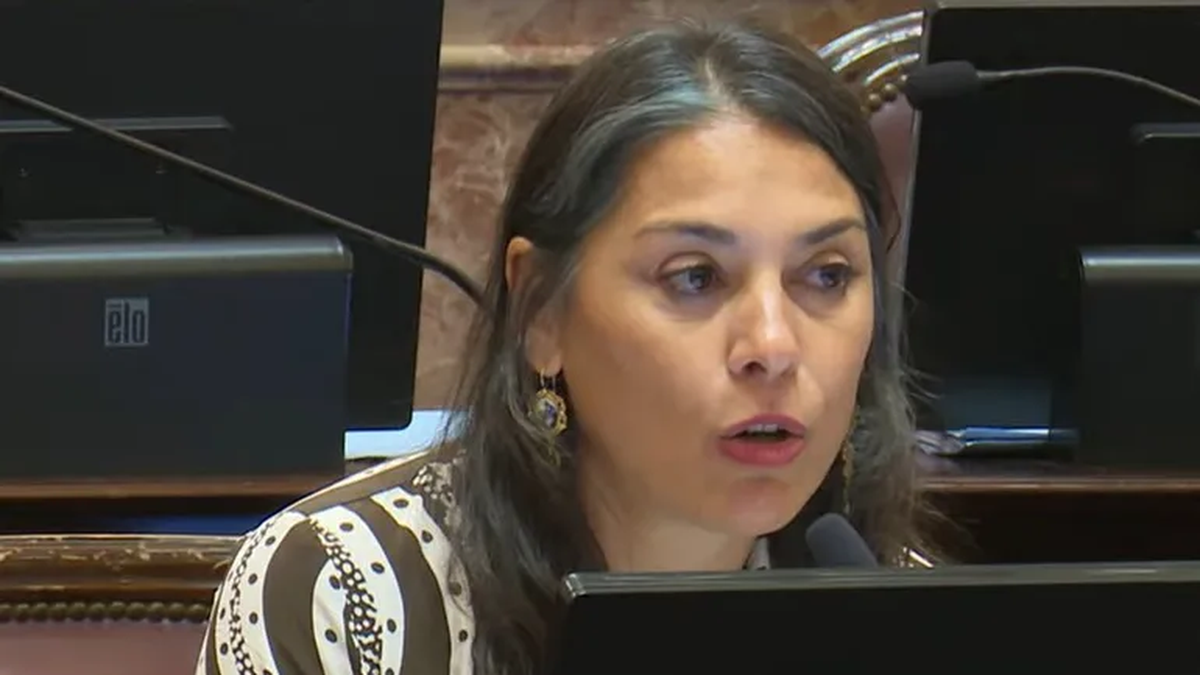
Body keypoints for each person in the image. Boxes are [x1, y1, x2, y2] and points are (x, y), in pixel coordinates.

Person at [196, 17, 931, 675]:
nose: (773, 344)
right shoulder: (341, 586)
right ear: (541, 310)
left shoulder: (908, 614)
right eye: (696, 277)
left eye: (826, 275)